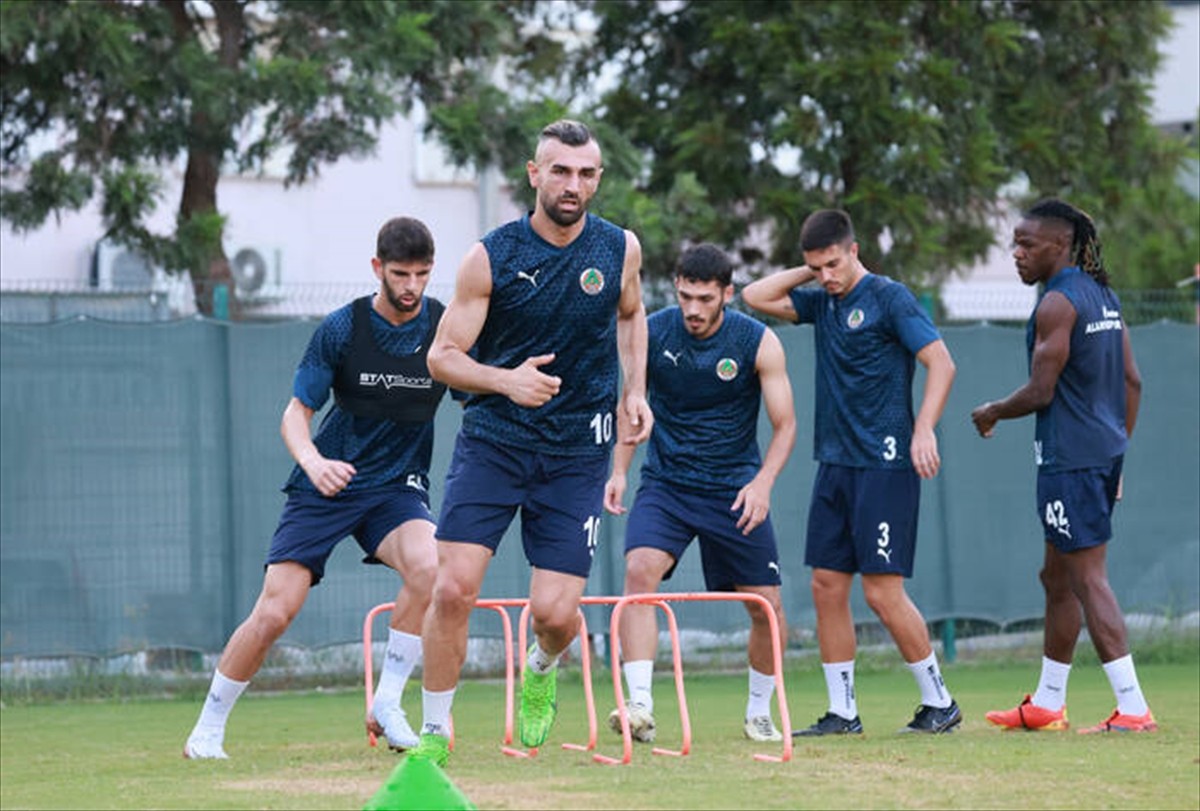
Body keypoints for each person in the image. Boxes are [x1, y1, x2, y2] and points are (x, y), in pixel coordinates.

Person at [411, 119, 653, 767]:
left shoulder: (619, 248)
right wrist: (504, 381)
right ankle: (435, 730)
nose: (573, 185)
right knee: (453, 587)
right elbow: (442, 356)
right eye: (561, 171)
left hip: (578, 450)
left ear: (598, 178)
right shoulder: (491, 256)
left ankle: (542, 665)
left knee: (554, 611)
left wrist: (636, 391)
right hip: (495, 440)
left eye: (586, 173)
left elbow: (631, 315)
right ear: (534, 173)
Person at [184, 217, 453, 759]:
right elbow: (294, 414)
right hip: (327, 483)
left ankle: (388, 701)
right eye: (401, 274)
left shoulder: (444, 329)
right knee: (275, 611)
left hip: (396, 487)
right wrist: (312, 461)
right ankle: (207, 729)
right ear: (378, 268)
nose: (411, 287)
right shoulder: (341, 328)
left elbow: (479, 386)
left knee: (433, 568)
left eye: (423, 275)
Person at [742, 208, 961, 736]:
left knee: (882, 592)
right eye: (817, 267)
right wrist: (808, 271)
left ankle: (941, 703)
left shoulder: (890, 298)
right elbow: (754, 296)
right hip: (835, 464)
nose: (826, 276)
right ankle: (843, 712)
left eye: (834, 264)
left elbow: (942, 362)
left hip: (884, 464)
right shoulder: (822, 300)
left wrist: (924, 428)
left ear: (855, 250)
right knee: (825, 585)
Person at [970, 198, 1154, 734]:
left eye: (1027, 245)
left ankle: (1134, 708)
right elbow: (1133, 382)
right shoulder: (1103, 295)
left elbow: (1039, 392)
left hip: (1070, 459)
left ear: (1060, 246)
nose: (1017, 254)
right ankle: (1048, 702)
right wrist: (1117, 451)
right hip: (1096, 453)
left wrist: (992, 412)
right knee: (1055, 576)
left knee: (1086, 577)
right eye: (1015, 244)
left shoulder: (1057, 303)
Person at [602, 243, 797, 744]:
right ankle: (640, 707)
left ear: (727, 294)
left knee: (767, 610)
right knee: (639, 572)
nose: (692, 308)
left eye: (704, 298)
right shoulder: (656, 329)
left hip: (734, 489)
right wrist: (620, 471)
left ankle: (758, 711)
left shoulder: (758, 342)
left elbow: (786, 425)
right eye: (685, 295)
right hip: (667, 485)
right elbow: (633, 402)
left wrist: (763, 483)